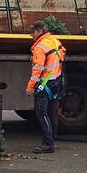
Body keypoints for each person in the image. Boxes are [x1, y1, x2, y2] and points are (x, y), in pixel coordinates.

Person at [25, 20, 66, 154]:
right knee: (51, 112)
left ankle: (48, 144)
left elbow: (38, 69)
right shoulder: (55, 41)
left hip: (45, 83)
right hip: (57, 80)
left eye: (33, 32)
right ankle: (52, 139)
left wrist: (30, 88)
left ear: (40, 31)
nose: (31, 35)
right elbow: (61, 56)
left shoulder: (40, 47)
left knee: (41, 113)